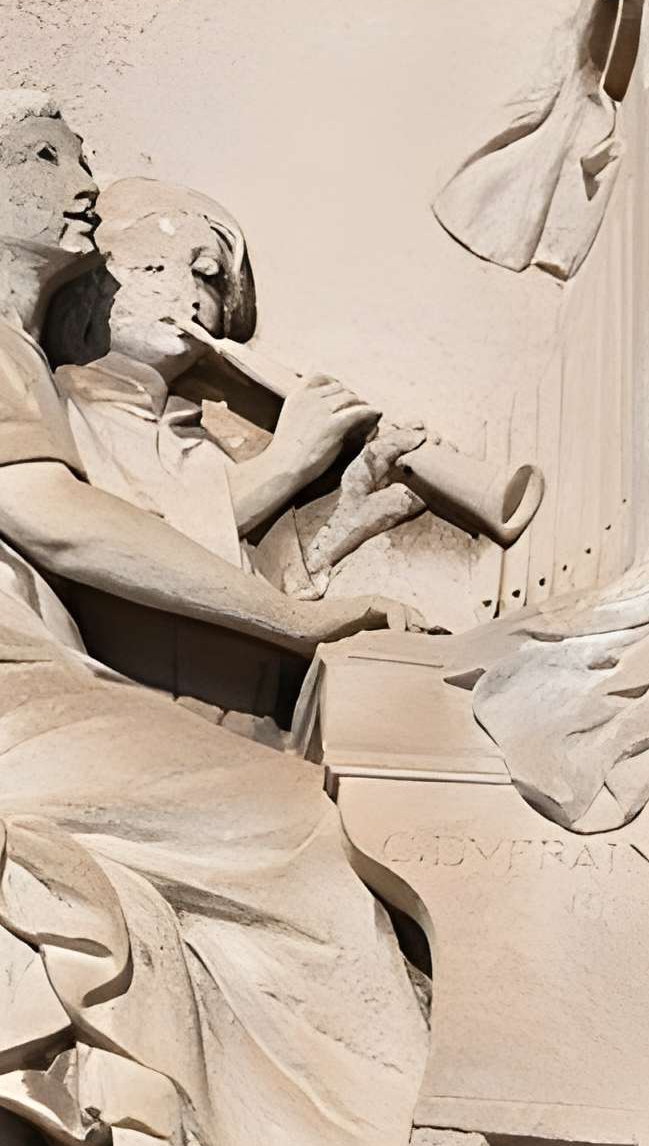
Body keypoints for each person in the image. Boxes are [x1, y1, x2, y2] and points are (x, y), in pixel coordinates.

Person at [0, 92, 429, 1146]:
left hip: (1, 698)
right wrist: (297, 623)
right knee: (285, 814)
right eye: (39, 157)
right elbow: (68, 525)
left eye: (81, 156)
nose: (78, 179)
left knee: (252, 796)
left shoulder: (3, 352)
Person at [46, 177, 416, 741]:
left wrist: (342, 526)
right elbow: (136, 549)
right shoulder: (69, 409)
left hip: (242, 725)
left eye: (207, 275)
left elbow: (234, 586)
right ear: (90, 289)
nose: (188, 296)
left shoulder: (195, 440)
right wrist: (289, 460)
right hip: (138, 728)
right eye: (153, 270)